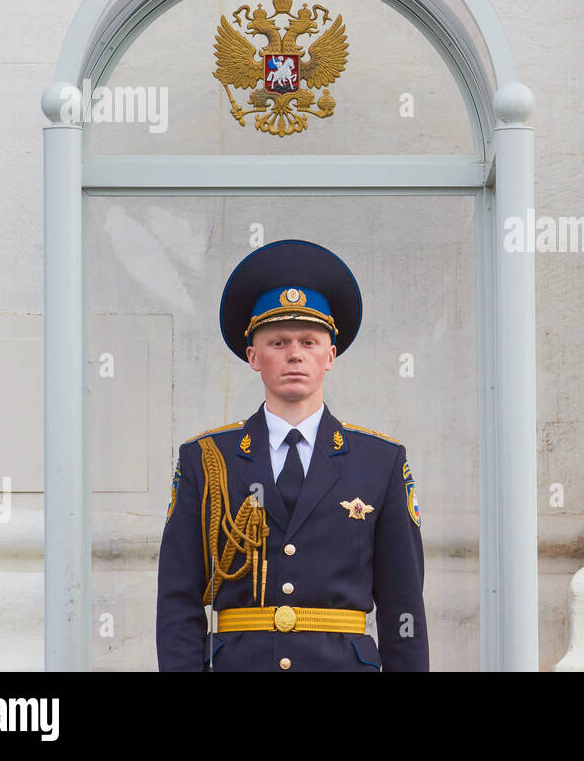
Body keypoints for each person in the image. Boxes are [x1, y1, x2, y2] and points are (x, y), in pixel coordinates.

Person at [156, 238, 428, 671]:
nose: (295, 354)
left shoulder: (380, 461)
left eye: (309, 341)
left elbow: (403, 604)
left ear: (330, 356)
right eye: (278, 342)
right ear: (253, 356)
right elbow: (178, 599)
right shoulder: (207, 459)